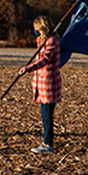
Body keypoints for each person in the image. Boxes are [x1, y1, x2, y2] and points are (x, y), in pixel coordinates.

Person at [18, 16, 62, 154]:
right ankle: (47, 141)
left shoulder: (52, 42)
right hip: (40, 84)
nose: (34, 31)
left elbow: (45, 60)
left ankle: (48, 144)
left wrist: (28, 68)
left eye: (36, 28)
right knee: (45, 114)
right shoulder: (42, 42)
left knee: (47, 115)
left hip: (49, 84)